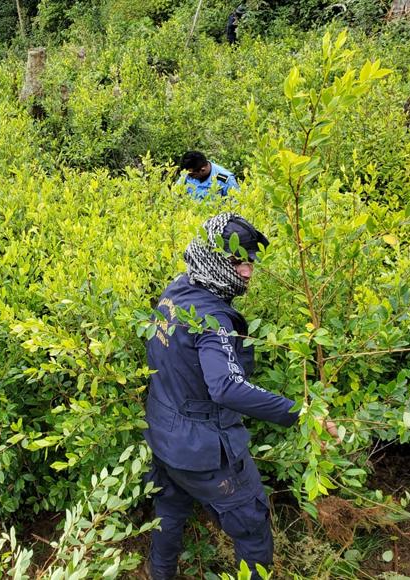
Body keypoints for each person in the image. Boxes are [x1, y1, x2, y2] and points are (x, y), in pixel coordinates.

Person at [143, 213, 337, 579]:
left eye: (250, 261)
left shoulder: (178, 289)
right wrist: (300, 414)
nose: (247, 271)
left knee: (169, 511)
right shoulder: (214, 318)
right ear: (214, 257)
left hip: (163, 433)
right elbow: (226, 386)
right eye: (237, 260)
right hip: (203, 449)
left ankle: (159, 573)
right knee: (251, 527)